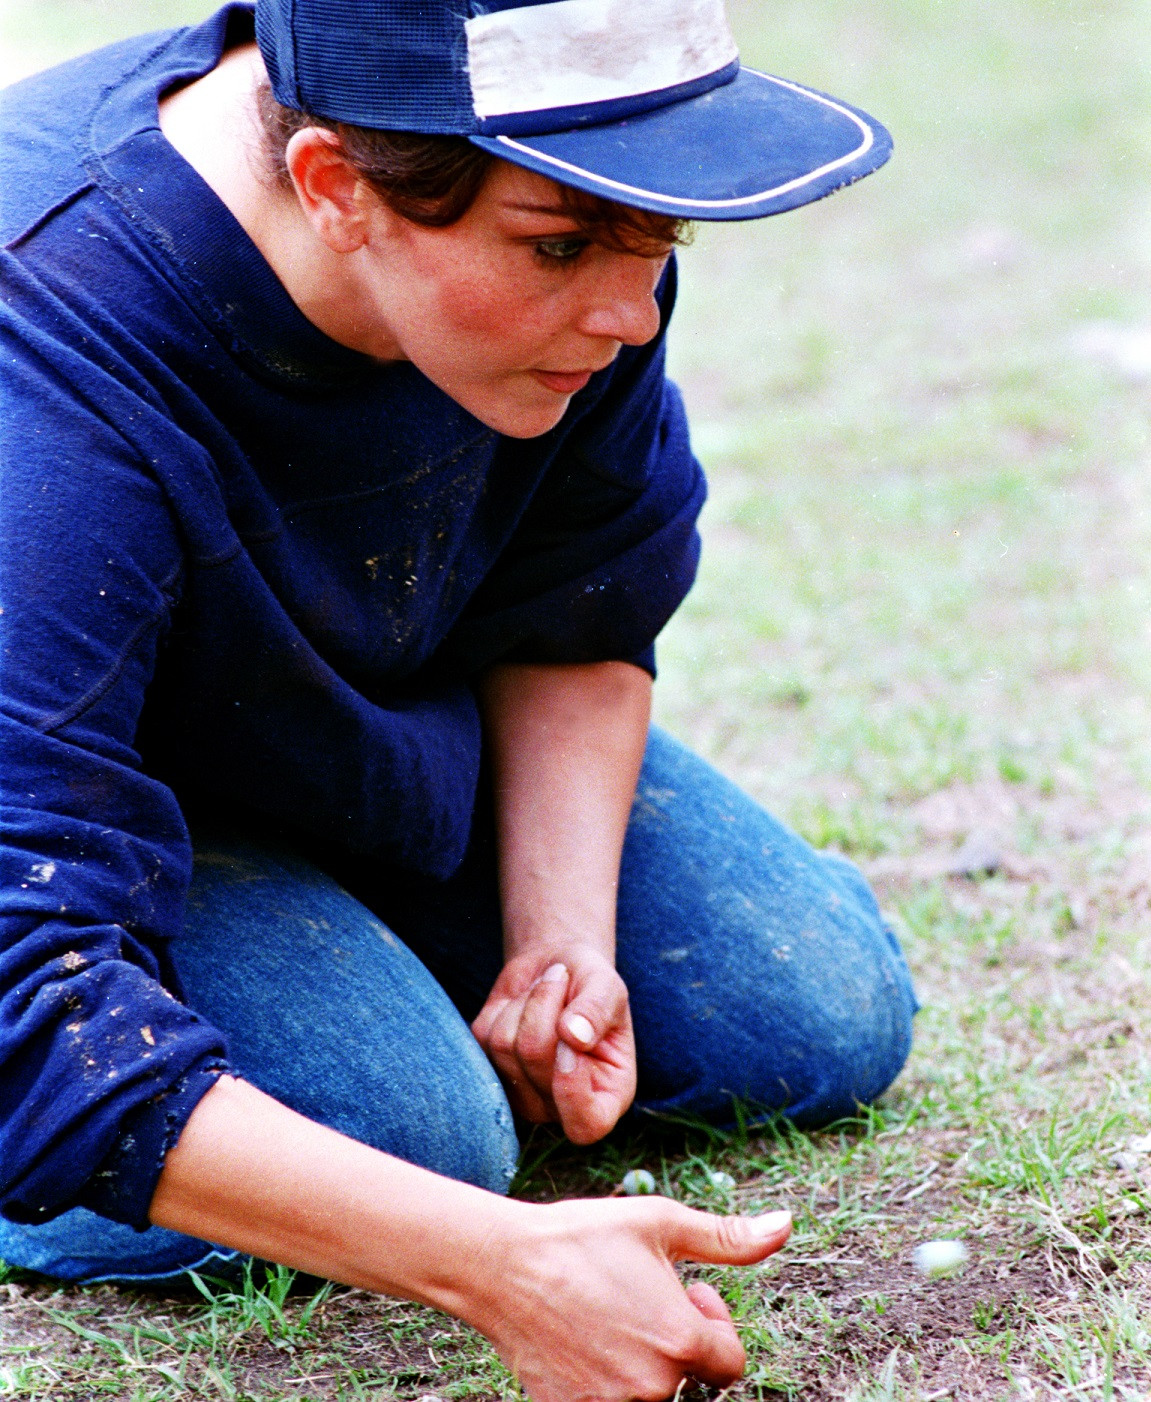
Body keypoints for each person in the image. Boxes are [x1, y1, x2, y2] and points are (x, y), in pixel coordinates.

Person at [0, 1, 917, 1396]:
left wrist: (561, 949)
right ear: (333, 187)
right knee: (417, 1134)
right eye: (559, 244)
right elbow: (30, 995)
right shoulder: (51, 359)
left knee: (812, 1012)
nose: (630, 312)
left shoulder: (583, 220)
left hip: (313, 730)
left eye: (659, 234)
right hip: (59, 803)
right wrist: (502, 1264)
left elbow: (579, 601)